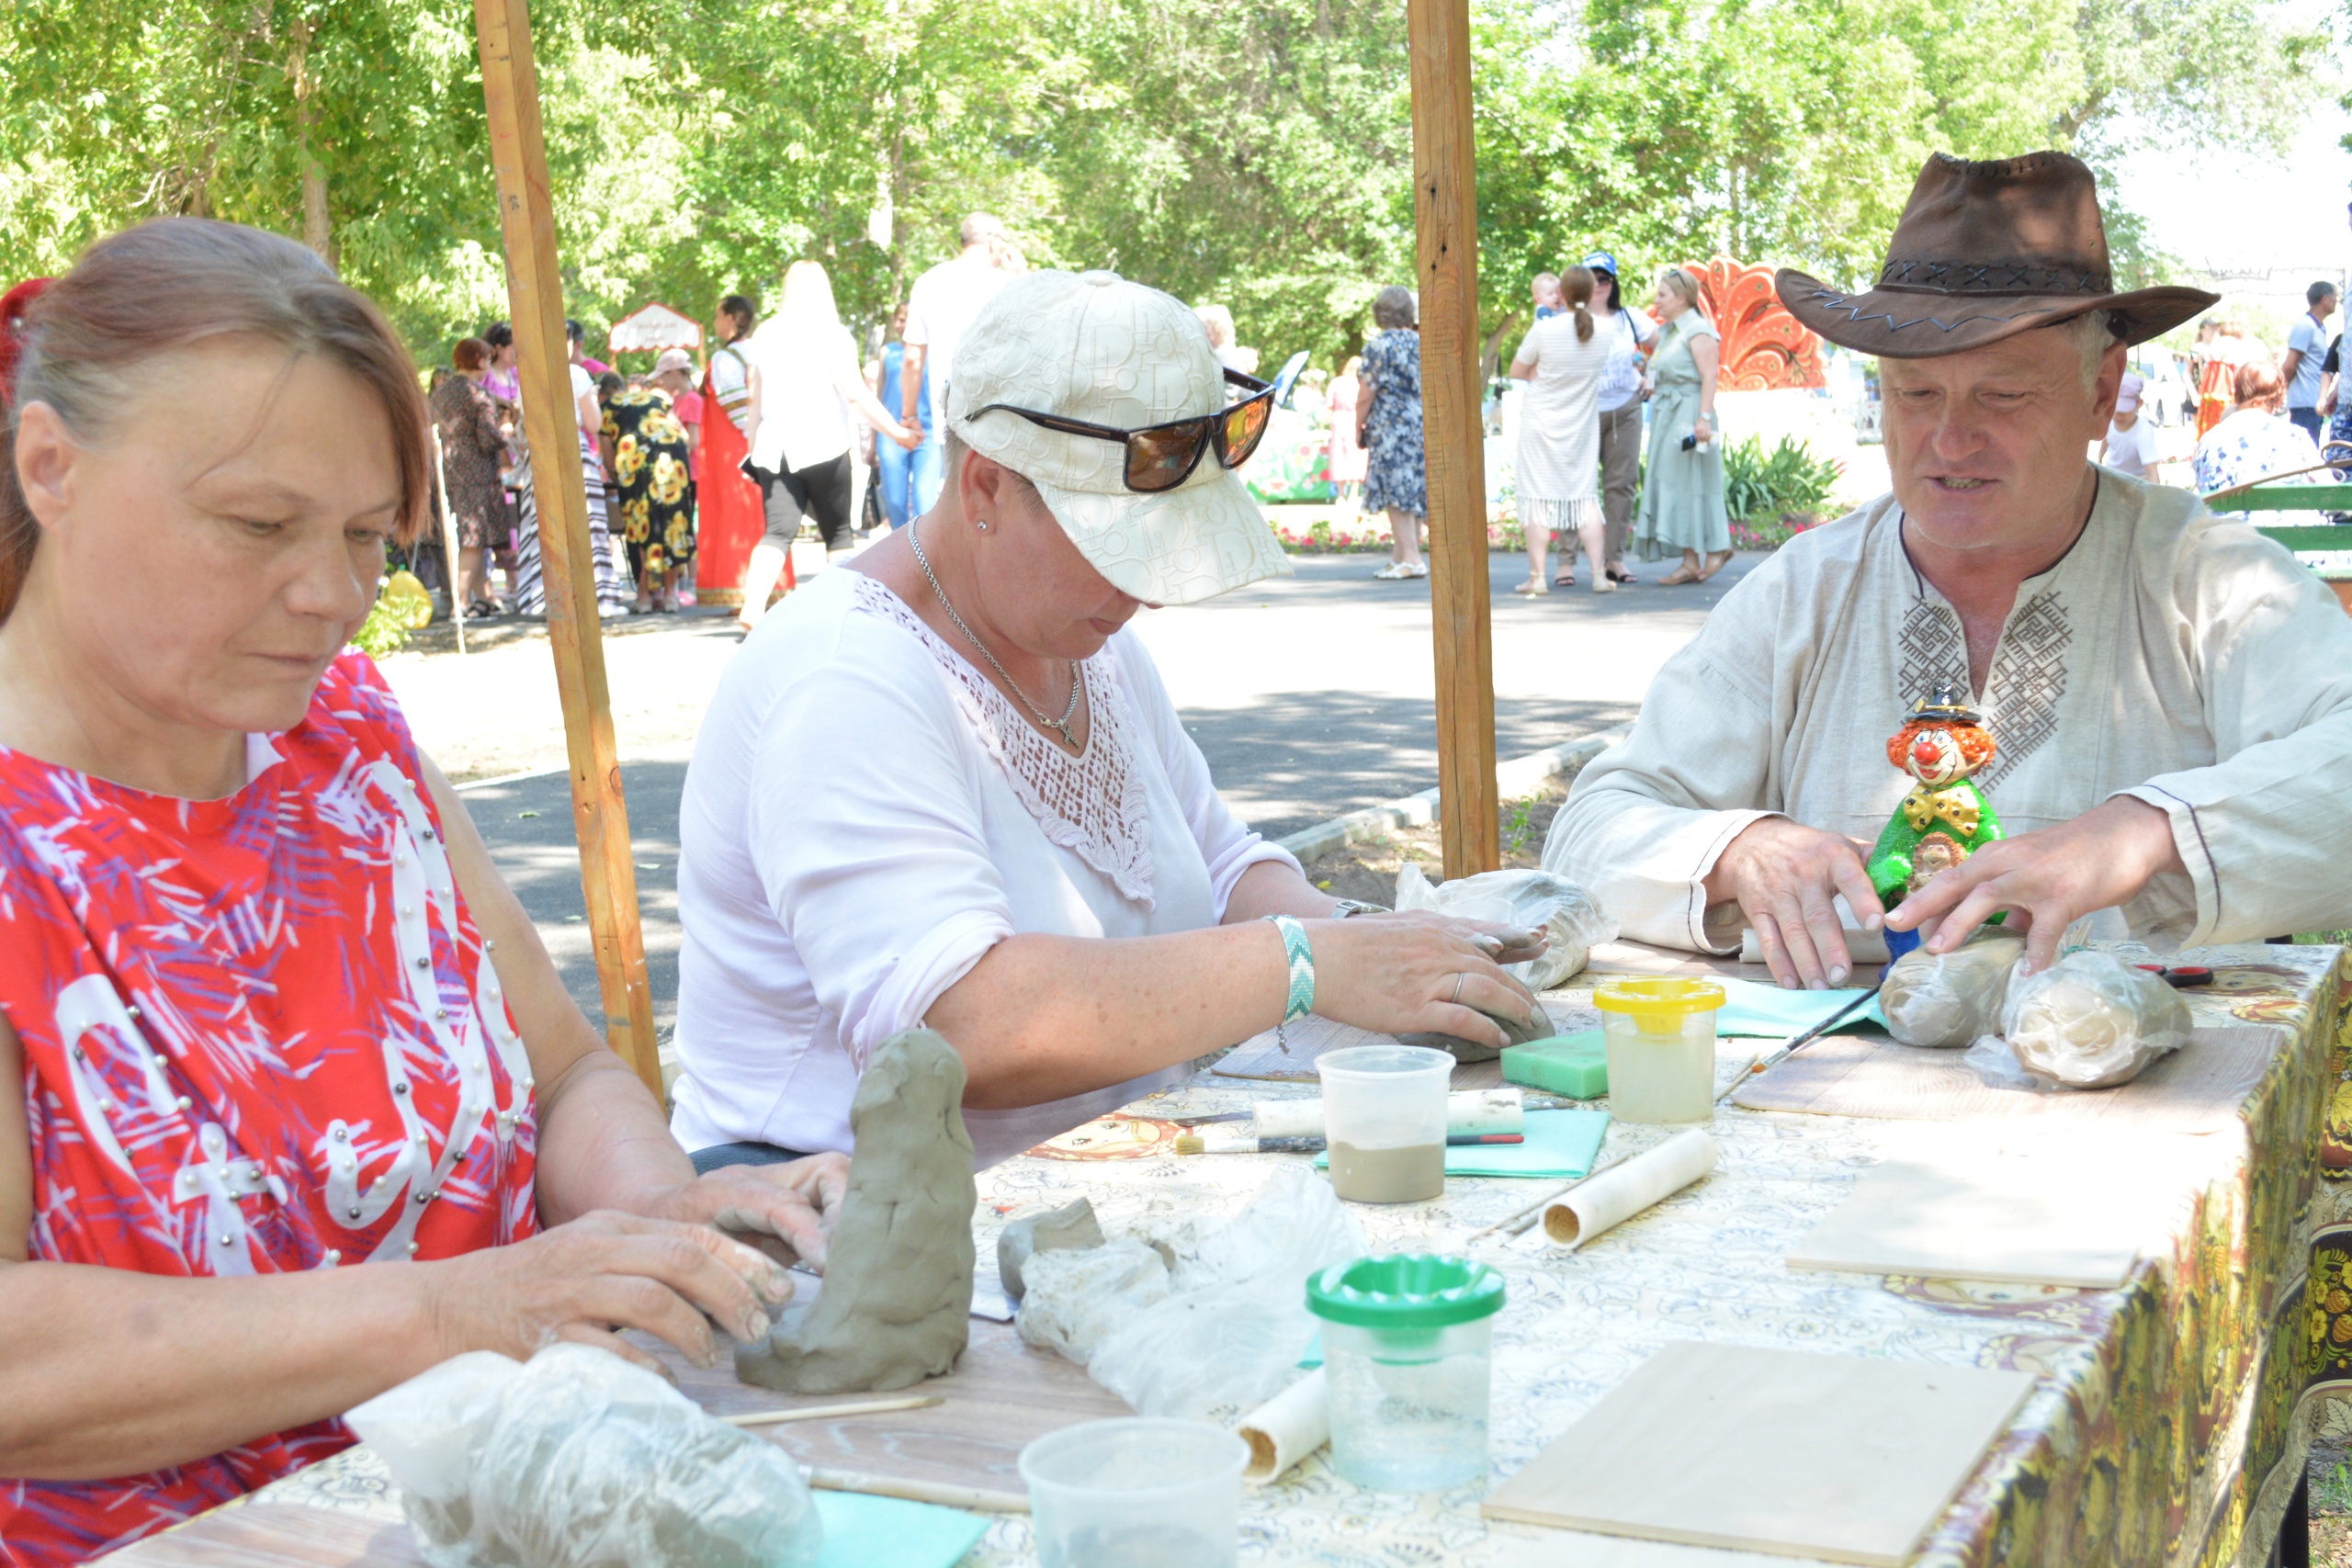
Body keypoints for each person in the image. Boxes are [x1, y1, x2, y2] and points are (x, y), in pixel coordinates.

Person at [0, 219, 846, 1565]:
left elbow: (568, 1072)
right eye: (259, 524)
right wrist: (462, 1306)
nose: (331, 595)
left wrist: (650, 1212)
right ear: (53, 467)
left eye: (363, 536)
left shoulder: (345, 734)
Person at [669, 267, 1545, 1170]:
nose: (1147, 597)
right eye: (1117, 548)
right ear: (984, 489)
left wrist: (1381, 942)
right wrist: (1309, 964)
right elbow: (966, 1030)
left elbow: (1219, 869)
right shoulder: (844, 678)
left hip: (1091, 1180)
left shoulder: (1085, 643)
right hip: (849, 1234)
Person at [1544, 149, 2352, 991]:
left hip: (2150, 1079)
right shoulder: (1807, 587)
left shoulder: (2208, 577)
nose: (1951, 440)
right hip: (1842, 1092)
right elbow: (1597, 823)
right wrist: (1737, 852)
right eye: (1915, 394)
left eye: (2002, 396)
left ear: (2101, 388)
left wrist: (2142, 832)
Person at [734, 262, 921, 631]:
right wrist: (898, 433)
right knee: (837, 533)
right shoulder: (833, 334)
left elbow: (754, 398)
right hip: (824, 443)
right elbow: (855, 395)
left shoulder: (766, 333)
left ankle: (752, 608)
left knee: (777, 531)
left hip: (775, 449)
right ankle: (846, 611)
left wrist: (753, 449)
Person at [1508, 265, 1612, 594]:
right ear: (1591, 290)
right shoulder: (1606, 330)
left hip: (1540, 423)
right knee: (1585, 497)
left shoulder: (1545, 329)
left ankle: (1537, 578)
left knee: (1536, 499)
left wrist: (1541, 371)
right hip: (1581, 425)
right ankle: (1598, 574)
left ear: (1562, 294)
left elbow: (1517, 370)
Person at [901, 215, 1012, 515]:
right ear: (993, 240)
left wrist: (908, 414)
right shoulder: (1009, 284)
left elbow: (912, 359)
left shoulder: (928, 281)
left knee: (956, 498)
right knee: (1004, 500)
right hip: (1005, 412)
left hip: (950, 411)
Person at [1633, 266, 1731, 584]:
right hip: (1668, 413)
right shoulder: (1671, 331)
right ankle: (1690, 561)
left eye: (1662, 295)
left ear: (1681, 297)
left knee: (1693, 483)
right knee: (1676, 486)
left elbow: (1710, 377)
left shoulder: (1698, 329)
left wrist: (1702, 418)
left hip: (1689, 414)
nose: (1656, 301)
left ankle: (1717, 548)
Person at [1588, 251, 1658, 585]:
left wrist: (1651, 375)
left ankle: (1614, 558)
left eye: (1605, 279)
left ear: (1613, 283)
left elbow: (1664, 346)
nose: (1598, 285)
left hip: (1626, 409)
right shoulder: (1569, 318)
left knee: (1621, 485)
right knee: (1579, 487)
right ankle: (1570, 562)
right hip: (1583, 412)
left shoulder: (1630, 318)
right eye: (1592, 278)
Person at [428, 336, 512, 615]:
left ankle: (484, 596)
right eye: (488, 359)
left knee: (469, 537)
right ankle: (461, 601)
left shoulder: (441, 393)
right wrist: (508, 431)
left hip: (446, 471)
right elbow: (489, 438)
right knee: (474, 538)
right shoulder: (479, 395)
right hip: (476, 472)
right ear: (479, 360)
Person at [601, 372, 696, 614]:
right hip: (673, 460)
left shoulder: (607, 407)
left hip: (637, 463)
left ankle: (644, 596)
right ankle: (670, 595)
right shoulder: (655, 400)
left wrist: (618, 479)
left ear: (603, 394)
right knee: (671, 524)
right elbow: (683, 436)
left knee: (640, 529)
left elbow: (608, 459)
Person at [2191, 360, 2323, 522]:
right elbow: (2328, 491)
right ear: (2279, 398)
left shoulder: (2208, 441)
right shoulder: (2295, 436)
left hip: (2229, 540)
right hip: (2291, 542)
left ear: (2236, 393)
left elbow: (2203, 488)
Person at [1358, 286, 1428, 581]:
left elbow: (1365, 395)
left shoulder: (1379, 346)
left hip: (1390, 426)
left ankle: (1411, 559)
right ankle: (1402, 556)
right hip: (1420, 422)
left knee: (1395, 490)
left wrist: (1358, 427)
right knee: (1411, 486)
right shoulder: (1422, 342)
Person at [876, 305, 936, 530]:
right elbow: (879, 397)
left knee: (925, 500)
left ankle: (926, 554)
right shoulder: (887, 352)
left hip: (926, 434)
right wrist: (872, 444)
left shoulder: (933, 353)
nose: (901, 325)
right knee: (894, 501)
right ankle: (901, 555)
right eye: (899, 320)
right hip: (891, 434)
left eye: (905, 320)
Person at [2284, 281, 2338, 442]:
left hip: (2312, 402)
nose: (2337, 300)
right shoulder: (2306, 326)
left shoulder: (2319, 328)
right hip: (2304, 404)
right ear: (2325, 299)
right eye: (2335, 296)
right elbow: (2289, 365)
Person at [2098, 370, 2158, 480]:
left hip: (2136, 482)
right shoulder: (2110, 422)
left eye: (2125, 411)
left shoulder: (2143, 432)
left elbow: (2152, 473)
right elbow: (2106, 440)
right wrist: (2100, 457)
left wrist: (2154, 495)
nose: (2119, 416)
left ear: (2139, 403)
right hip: (2112, 477)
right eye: (2116, 410)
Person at [1328, 355, 1367, 517]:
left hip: (1338, 419)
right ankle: (1354, 494)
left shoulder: (1336, 382)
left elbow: (1329, 404)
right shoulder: (1360, 384)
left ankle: (1341, 495)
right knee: (1357, 455)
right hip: (1355, 418)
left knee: (1338, 455)